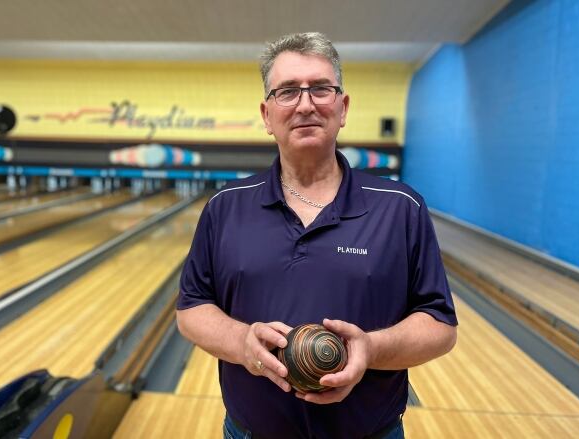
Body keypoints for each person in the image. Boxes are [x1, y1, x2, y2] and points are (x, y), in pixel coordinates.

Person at [176, 32, 457, 439]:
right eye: (287, 91)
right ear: (266, 114)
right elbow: (191, 310)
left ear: (342, 108)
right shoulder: (225, 207)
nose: (306, 104)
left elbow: (439, 326)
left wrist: (371, 349)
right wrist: (241, 342)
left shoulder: (400, 207)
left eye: (321, 89)